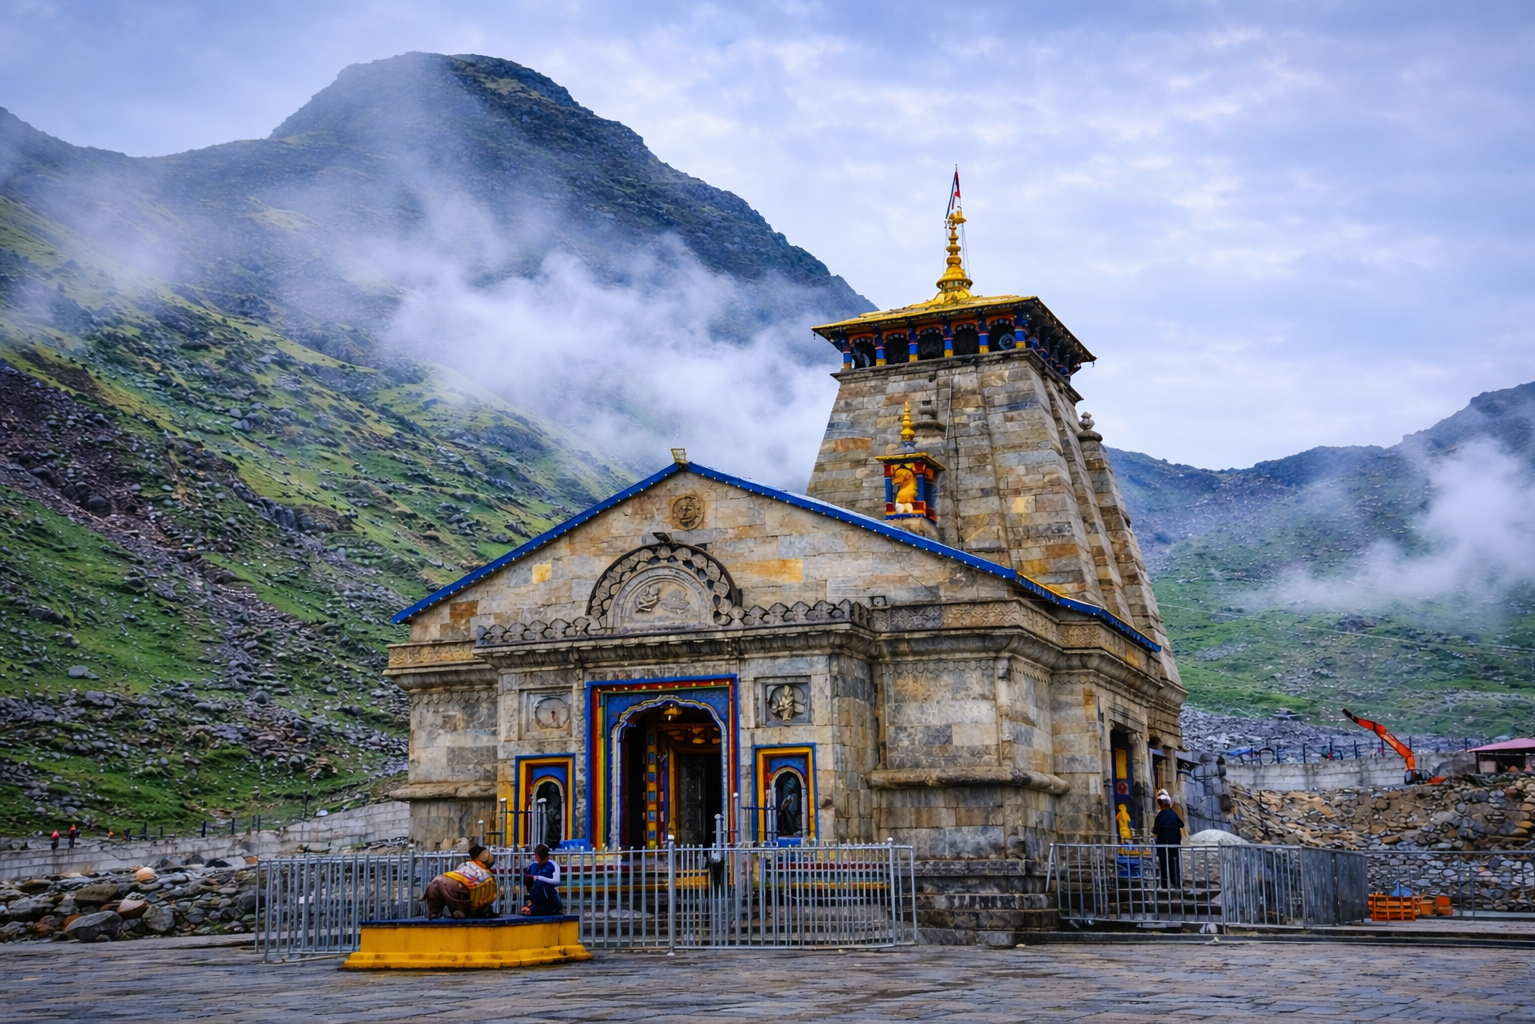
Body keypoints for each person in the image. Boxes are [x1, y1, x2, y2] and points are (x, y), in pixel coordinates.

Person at [423, 845, 499, 920]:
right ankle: (460, 911)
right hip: (457, 885)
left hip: (438, 880)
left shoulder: (465, 865)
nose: (492, 856)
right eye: (489, 854)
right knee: (463, 901)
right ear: (484, 856)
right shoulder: (486, 874)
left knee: (435, 907)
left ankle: (433, 913)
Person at [1152, 789, 1184, 889]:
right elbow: (1181, 824)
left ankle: (1165, 884)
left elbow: (1155, 831)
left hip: (1162, 843)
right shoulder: (1173, 814)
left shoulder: (1159, 815)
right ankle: (1176, 883)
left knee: (1163, 863)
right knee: (1174, 862)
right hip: (1174, 842)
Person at [521, 844, 563, 916]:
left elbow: (557, 881)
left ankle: (532, 909)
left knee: (549, 906)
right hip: (536, 899)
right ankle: (530, 906)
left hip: (550, 899)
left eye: (536, 856)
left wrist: (539, 878)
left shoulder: (552, 864)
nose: (535, 858)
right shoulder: (533, 866)